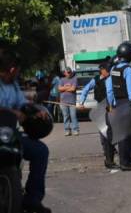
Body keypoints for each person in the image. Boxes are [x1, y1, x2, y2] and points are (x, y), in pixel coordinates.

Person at [0, 46, 51, 213]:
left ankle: (32, 199)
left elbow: (22, 103)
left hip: (9, 135)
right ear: (13, 69)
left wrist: (38, 111)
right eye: (19, 69)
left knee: (40, 150)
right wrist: (12, 112)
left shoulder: (13, 85)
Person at [106, 41, 131, 171]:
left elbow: (109, 90)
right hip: (127, 103)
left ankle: (125, 161)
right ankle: (125, 162)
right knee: (129, 134)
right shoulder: (128, 70)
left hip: (117, 103)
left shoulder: (113, 69)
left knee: (122, 133)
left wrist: (111, 104)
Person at [78, 62, 118, 169]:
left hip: (111, 109)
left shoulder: (112, 78)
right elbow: (86, 89)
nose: (108, 72)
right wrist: (81, 102)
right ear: (102, 70)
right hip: (101, 107)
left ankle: (110, 157)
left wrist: (111, 106)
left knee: (111, 134)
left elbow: (111, 93)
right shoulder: (96, 79)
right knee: (104, 134)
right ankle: (108, 156)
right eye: (106, 70)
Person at [58, 67, 79, 136]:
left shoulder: (74, 79)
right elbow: (59, 89)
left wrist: (64, 88)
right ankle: (67, 130)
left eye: (70, 72)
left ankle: (75, 130)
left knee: (73, 116)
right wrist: (68, 88)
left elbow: (73, 89)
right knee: (66, 116)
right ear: (65, 73)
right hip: (63, 101)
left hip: (72, 101)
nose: (69, 74)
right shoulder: (62, 80)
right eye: (68, 72)